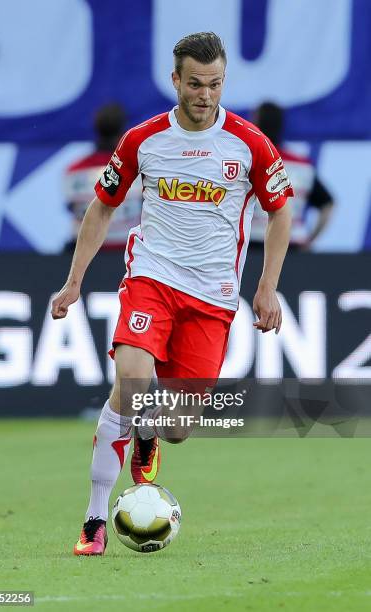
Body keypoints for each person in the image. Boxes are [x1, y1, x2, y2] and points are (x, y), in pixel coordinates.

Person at [51, 32, 293, 556]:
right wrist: (74, 282)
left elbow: (280, 211)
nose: (205, 95)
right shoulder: (144, 140)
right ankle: (94, 520)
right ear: (176, 81)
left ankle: (151, 433)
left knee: (178, 427)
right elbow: (102, 207)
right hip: (152, 280)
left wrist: (267, 285)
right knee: (132, 381)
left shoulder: (249, 143)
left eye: (215, 84)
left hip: (212, 298)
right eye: (196, 84)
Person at [249, 102, 334, 250]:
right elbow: (328, 204)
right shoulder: (302, 165)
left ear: (255, 123)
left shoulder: (246, 161)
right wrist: (310, 240)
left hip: (250, 244)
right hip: (291, 244)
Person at [63, 103, 142, 252]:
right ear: (123, 131)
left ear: (96, 129)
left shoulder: (74, 170)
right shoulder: (138, 168)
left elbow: (72, 208)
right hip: (129, 253)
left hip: (86, 253)